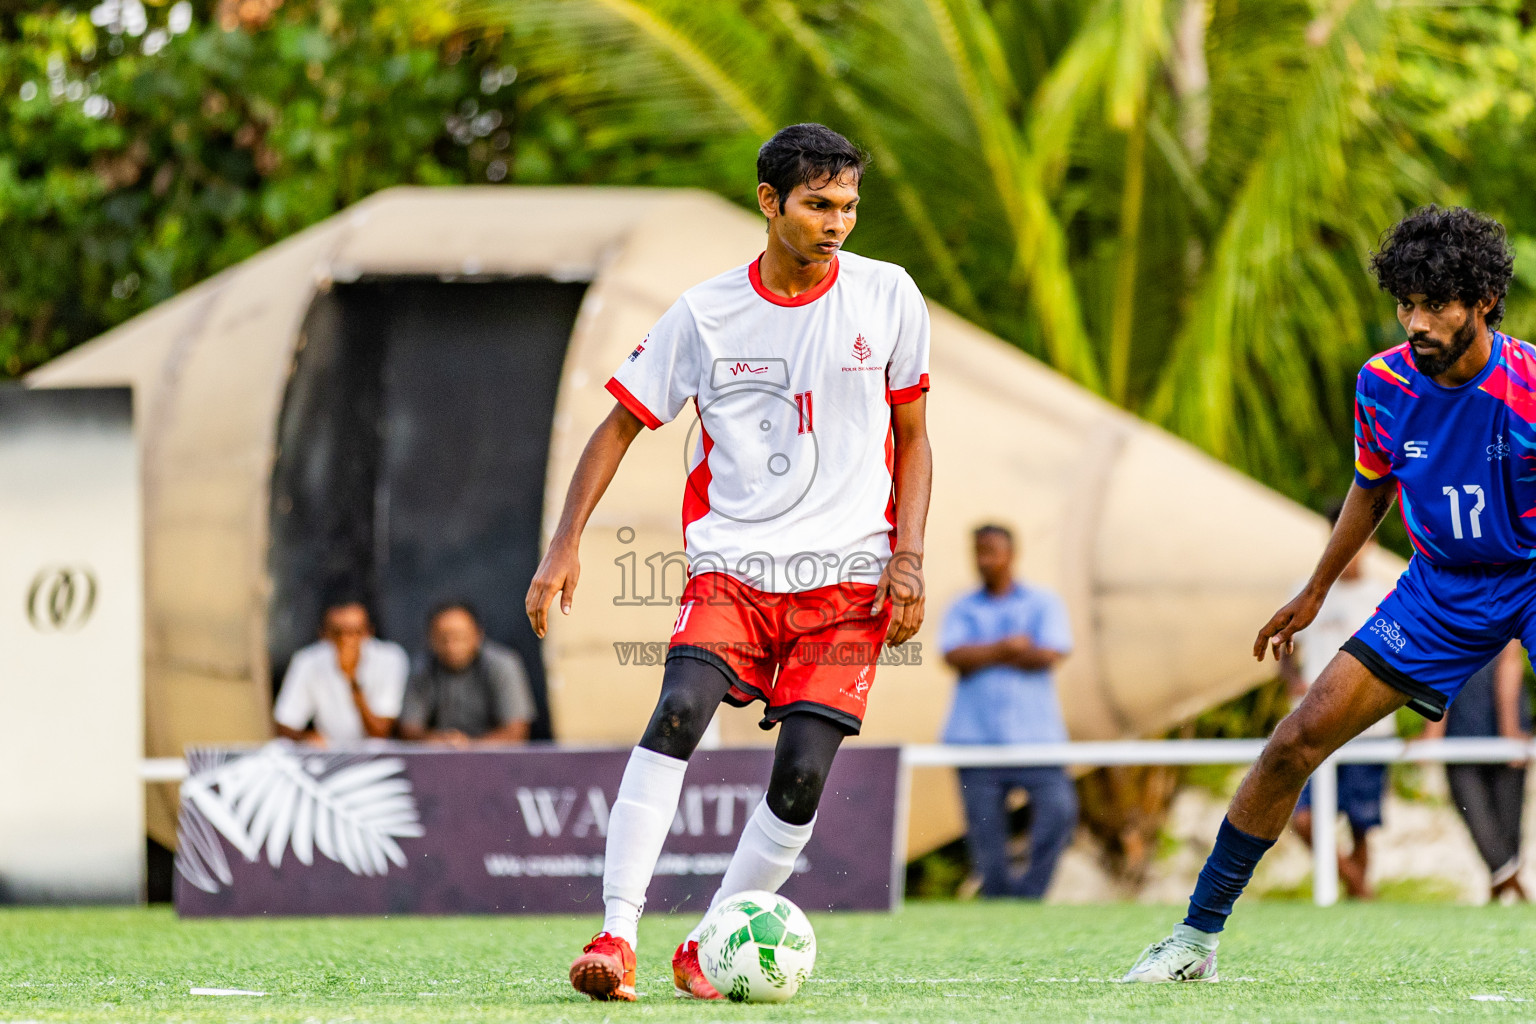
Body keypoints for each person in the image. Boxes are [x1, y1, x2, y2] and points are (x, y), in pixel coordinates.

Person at [525, 122, 931, 1002]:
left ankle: (708, 945)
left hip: (850, 577)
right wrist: (564, 544)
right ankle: (617, 934)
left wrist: (910, 559)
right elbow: (620, 423)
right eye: (818, 204)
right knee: (678, 709)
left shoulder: (891, 296)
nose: (837, 223)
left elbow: (914, 438)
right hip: (733, 568)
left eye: (850, 206)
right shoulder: (705, 313)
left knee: (803, 775)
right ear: (769, 202)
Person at [1125, 205, 1525, 983]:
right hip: (1436, 590)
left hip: (1530, 575)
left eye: (1434, 304)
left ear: (1481, 300)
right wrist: (1315, 590)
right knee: (1293, 743)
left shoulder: (1531, 386)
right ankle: (1193, 940)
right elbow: (1370, 492)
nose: (1415, 321)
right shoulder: (1382, 382)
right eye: (1404, 303)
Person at [940, 524, 1076, 899]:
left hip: (1038, 738)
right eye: (979, 552)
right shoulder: (961, 605)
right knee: (985, 834)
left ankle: (1030, 895)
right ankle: (998, 900)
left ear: (1011, 555)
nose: (985, 560)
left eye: (992, 551)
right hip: (974, 738)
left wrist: (984, 652)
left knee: (1059, 811)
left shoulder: (1043, 602)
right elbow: (954, 656)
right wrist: (1008, 647)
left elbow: (1049, 654)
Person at [1281, 501, 1396, 900]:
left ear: (1371, 542)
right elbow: (1284, 646)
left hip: (1369, 725)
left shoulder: (1388, 594)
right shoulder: (1305, 592)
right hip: (1315, 723)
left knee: (1362, 823)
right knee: (1305, 818)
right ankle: (1359, 887)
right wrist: (1293, 678)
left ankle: (1357, 901)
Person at [1420, 640, 1530, 902]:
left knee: (1506, 832)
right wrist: (1432, 733)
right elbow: (1442, 667)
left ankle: (1501, 899)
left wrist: (1509, 730)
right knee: (1487, 831)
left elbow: (1510, 661)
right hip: (1461, 732)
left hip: (1500, 729)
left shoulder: (1506, 603)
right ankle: (1520, 895)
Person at [396, 602, 537, 746]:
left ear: (478, 635)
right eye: (443, 638)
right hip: (440, 759)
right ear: (430, 638)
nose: (451, 646)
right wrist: (442, 741)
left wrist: (467, 747)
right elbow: (409, 730)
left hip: (495, 761)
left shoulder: (502, 664)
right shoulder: (422, 667)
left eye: (459, 637)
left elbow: (516, 732)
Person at [273, 598, 408, 744]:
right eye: (338, 633)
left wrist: (352, 681)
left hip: (375, 757)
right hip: (328, 756)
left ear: (369, 632)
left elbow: (380, 732)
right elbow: (285, 724)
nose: (346, 640)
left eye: (355, 632)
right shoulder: (307, 660)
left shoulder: (390, 658)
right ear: (323, 634)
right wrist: (307, 738)